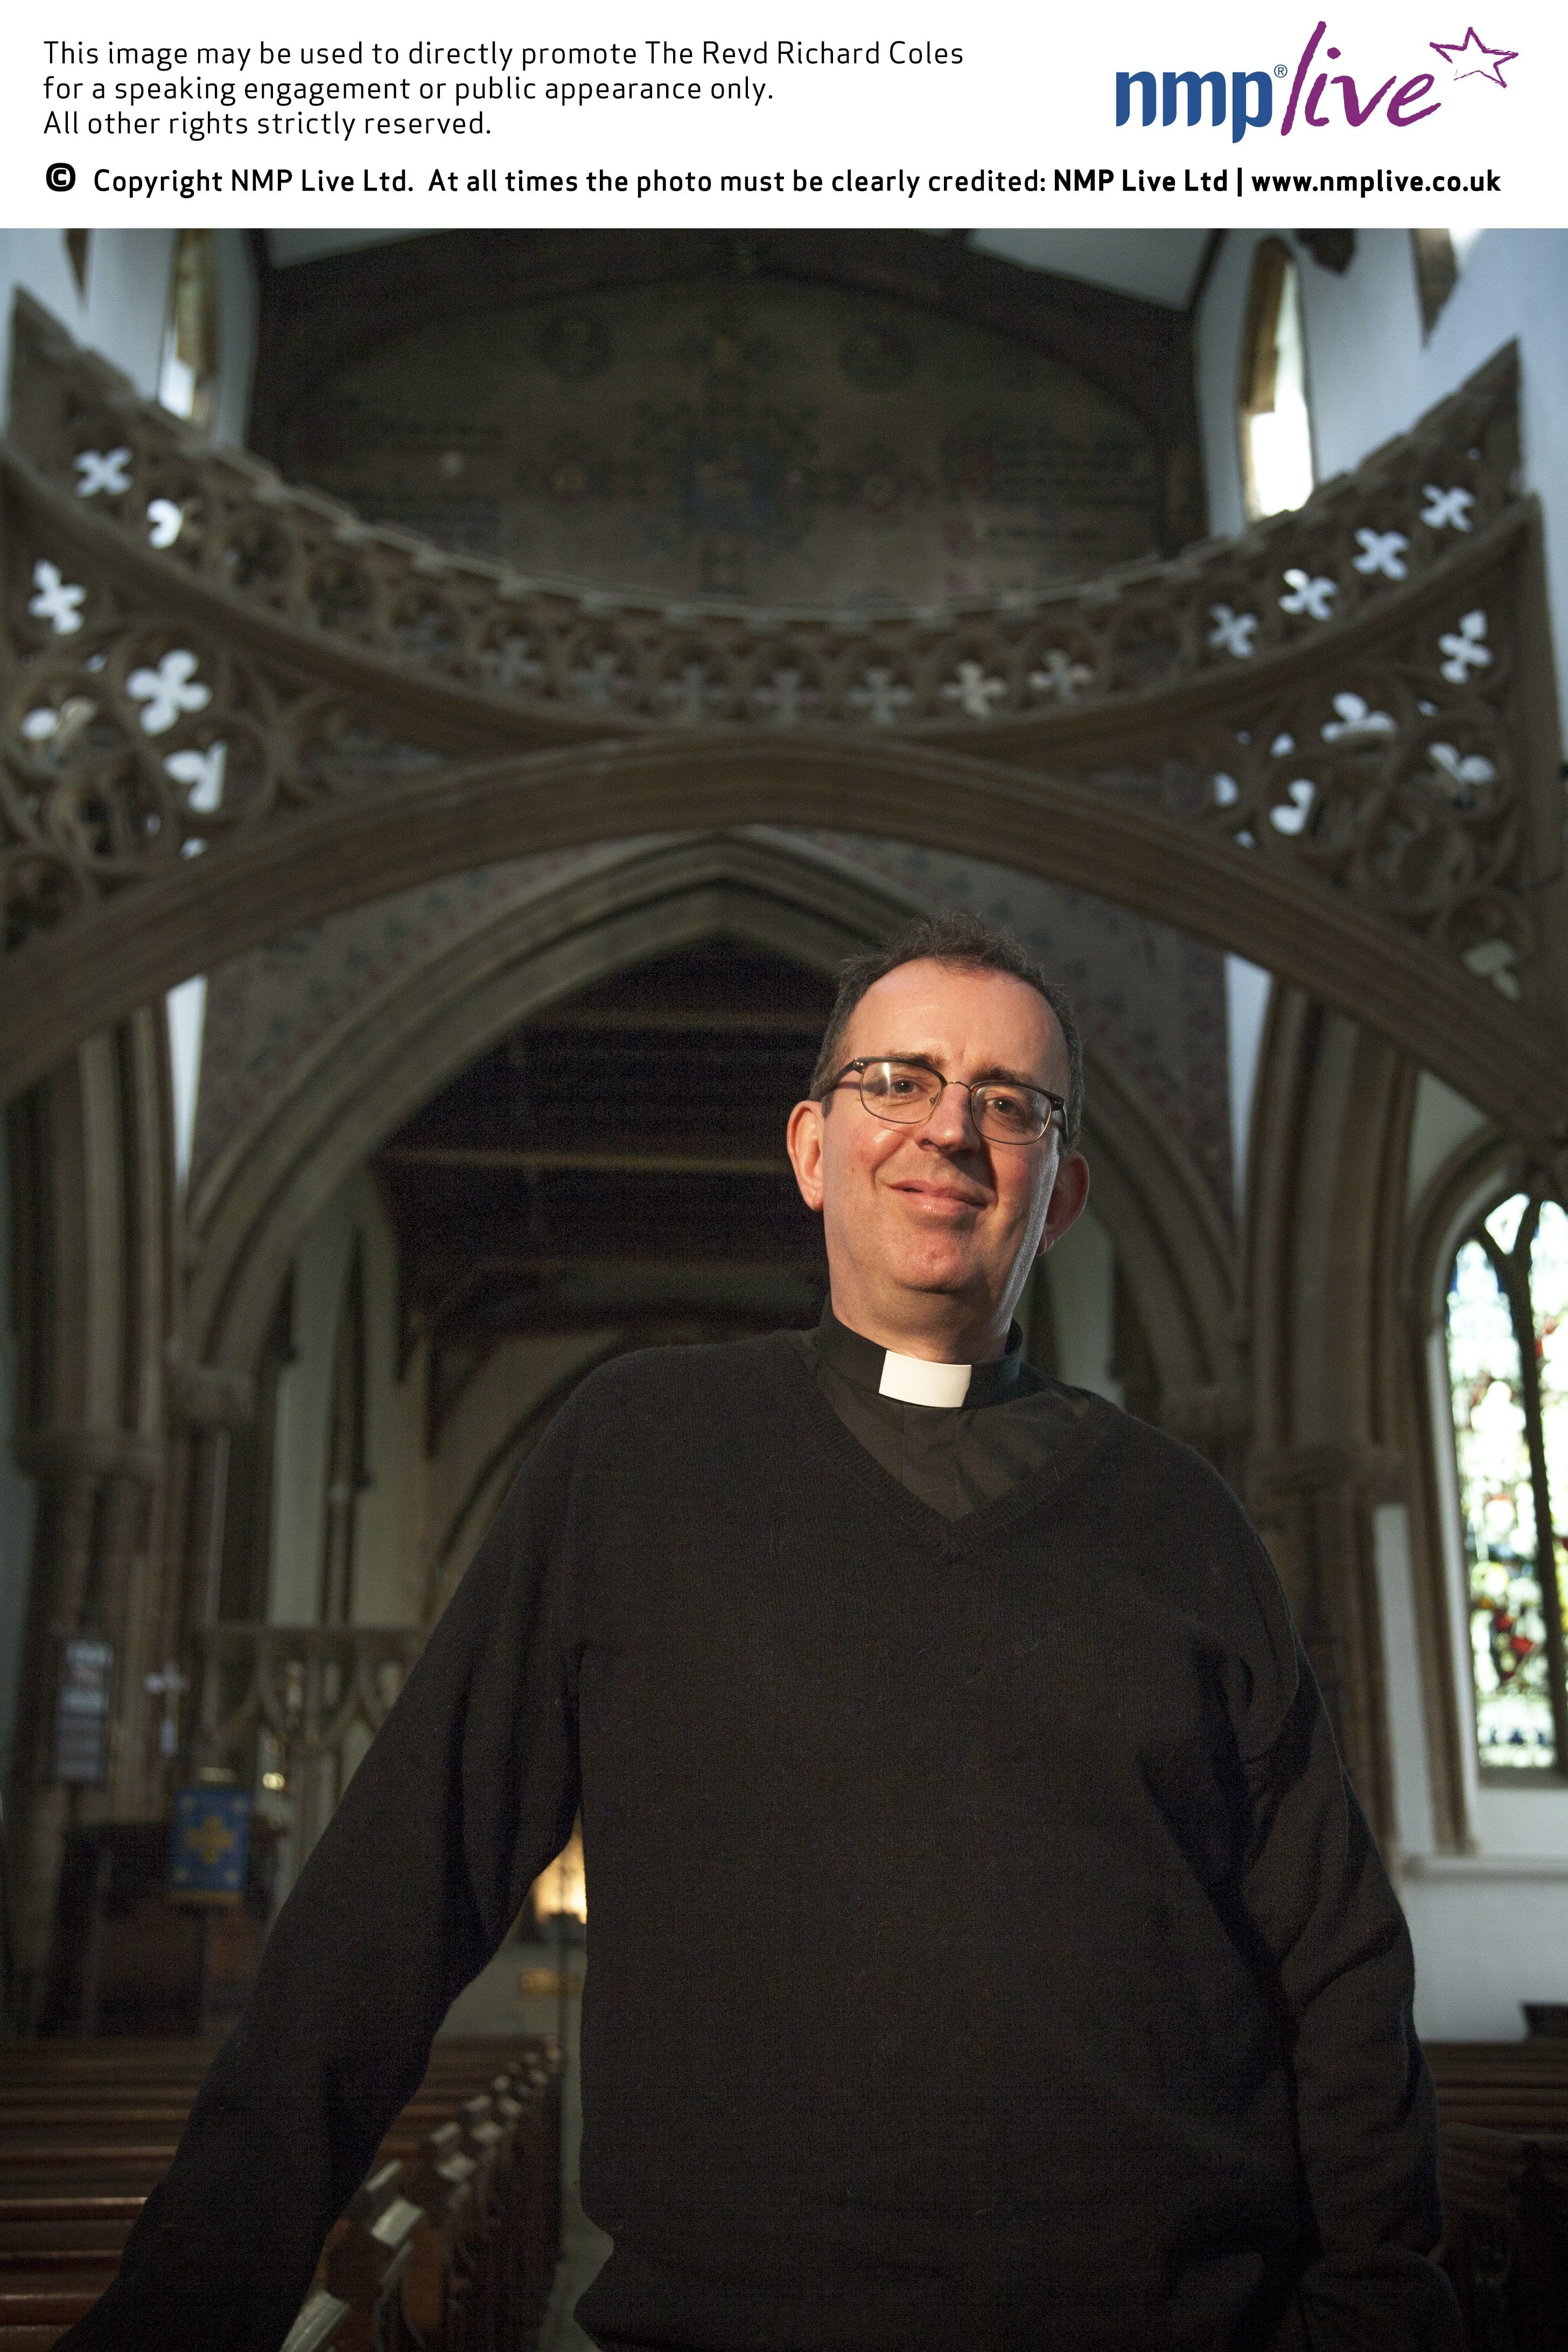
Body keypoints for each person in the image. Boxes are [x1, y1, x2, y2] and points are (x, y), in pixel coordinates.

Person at [61, 912, 1459, 2351]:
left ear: (1064, 1190)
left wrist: (1378, 2312)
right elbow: (392, 1895)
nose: (950, 1132)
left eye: (1008, 1103)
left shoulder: (1184, 1519)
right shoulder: (639, 1457)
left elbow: (1337, 1959)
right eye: (898, 1081)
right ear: (808, 1146)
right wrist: (180, 2315)